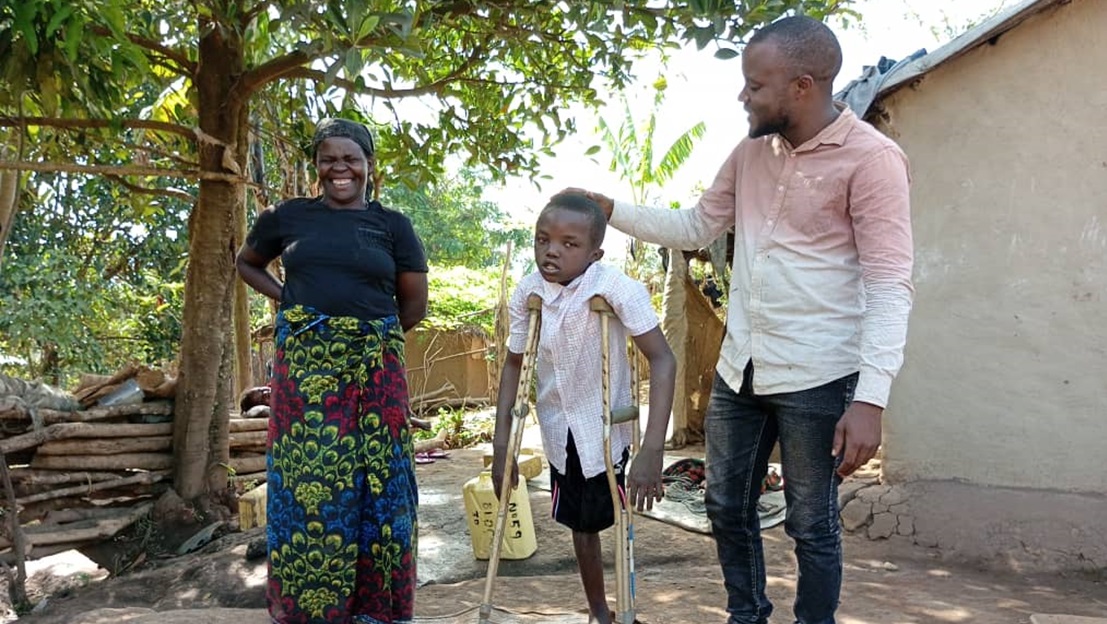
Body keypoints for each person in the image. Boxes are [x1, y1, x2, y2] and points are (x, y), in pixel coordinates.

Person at [565, 15, 914, 624]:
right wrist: (611, 208)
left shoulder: (873, 161)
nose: (742, 96)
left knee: (811, 524)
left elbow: (889, 285)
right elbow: (696, 226)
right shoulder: (750, 152)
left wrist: (871, 400)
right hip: (741, 368)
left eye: (755, 85)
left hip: (818, 375)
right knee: (725, 507)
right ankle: (746, 615)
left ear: (802, 86)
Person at [236, 117, 428, 624]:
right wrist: (290, 301)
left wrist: (363, 340)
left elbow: (413, 307)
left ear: (368, 164)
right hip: (305, 375)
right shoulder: (287, 217)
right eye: (329, 159)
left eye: (350, 158)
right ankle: (313, 610)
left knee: (381, 479)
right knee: (309, 478)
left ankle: (377, 609)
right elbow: (247, 262)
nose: (340, 168)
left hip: (376, 371)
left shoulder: (394, 226)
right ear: (316, 165)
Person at [491, 192, 676, 624]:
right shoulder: (529, 291)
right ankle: (598, 611)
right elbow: (514, 364)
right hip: (559, 430)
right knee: (581, 525)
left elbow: (663, 359)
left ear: (595, 253)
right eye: (543, 239)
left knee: (610, 517)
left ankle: (624, 607)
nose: (551, 251)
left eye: (569, 243)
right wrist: (502, 447)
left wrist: (653, 448)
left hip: (604, 428)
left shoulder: (616, 287)